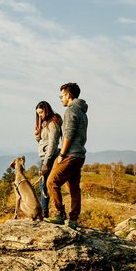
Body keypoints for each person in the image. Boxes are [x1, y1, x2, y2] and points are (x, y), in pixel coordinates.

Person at [46, 82, 88, 228]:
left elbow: (68, 135)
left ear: (69, 95)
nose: (61, 98)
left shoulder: (70, 111)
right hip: (80, 155)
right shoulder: (82, 111)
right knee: (74, 188)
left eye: (62, 96)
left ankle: (58, 214)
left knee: (52, 182)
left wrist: (62, 154)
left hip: (70, 154)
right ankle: (73, 219)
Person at [33, 101, 61, 218]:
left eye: (41, 112)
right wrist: (37, 135)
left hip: (49, 158)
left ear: (47, 110)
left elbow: (53, 144)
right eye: (38, 114)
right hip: (45, 157)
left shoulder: (52, 124)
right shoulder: (45, 124)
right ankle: (47, 212)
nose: (40, 115)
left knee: (46, 185)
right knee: (44, 186)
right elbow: (43, 142)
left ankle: (48, 213)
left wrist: (46, 163)